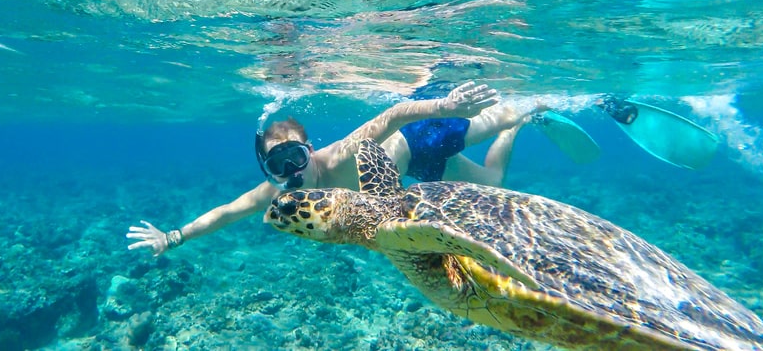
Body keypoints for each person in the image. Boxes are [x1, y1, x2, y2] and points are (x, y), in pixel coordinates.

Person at [126, 81, 537, 256]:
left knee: (493, 120)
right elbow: (227, 213)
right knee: (496, 181)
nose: (292, 172)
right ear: (268, 168)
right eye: (278, 163)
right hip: (411, 174)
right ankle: (519, 128)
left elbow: (393, 116)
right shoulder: (278, 192)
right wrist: (173, 237)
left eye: (296, 157)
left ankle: (532, 105)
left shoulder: (338, 156)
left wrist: (442, 107)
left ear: (310, 150)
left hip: (417, 140)